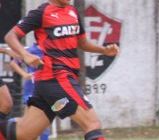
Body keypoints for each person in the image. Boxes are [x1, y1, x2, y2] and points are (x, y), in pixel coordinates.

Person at [2, 0, 119, 139]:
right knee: (92, 124)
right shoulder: (41, 13)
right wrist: (25, 55)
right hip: (57, 78)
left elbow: (82, 42)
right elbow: (11, 36)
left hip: (49, 87)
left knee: (24, 132)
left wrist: (104, 50)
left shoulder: (73, 12)